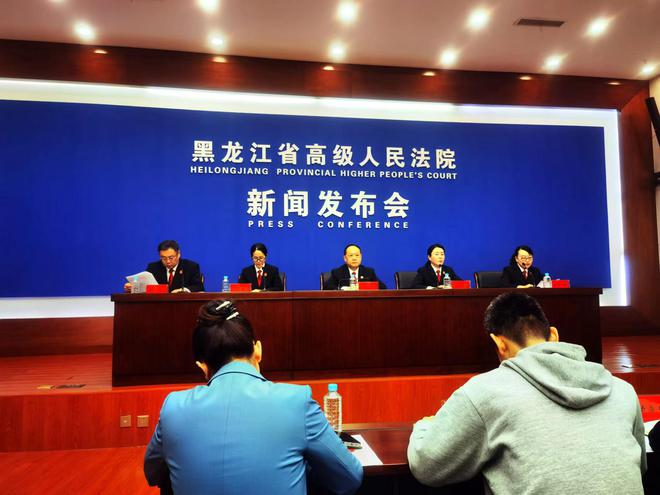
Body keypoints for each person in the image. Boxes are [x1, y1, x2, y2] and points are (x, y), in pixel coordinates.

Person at [407, 292, 646, 494]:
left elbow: (428, 465)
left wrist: (424, 426)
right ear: (553, 335)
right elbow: (641, 467)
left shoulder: (485, 392)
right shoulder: (622, 390)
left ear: (499, 343)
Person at [144, 300, 363, 495]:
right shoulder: (297, 400)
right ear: (258, 350)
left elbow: (152, 474)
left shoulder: (173, 407)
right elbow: (350, 477)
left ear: (202, 367)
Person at [125, 240, 205, 293]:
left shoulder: (191, 266)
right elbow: (146, 286)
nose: (168, 261)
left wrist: (184, 290)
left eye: (171, 258)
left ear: (178, 254)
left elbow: (198, 287)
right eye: (163, 258)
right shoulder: (153, 267)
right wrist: (133, 287)